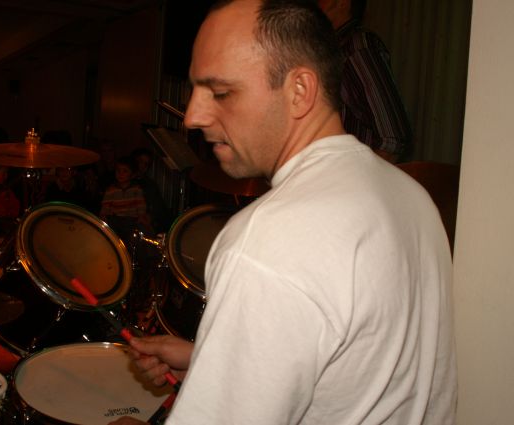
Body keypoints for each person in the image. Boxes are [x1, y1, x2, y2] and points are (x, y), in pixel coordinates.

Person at [109, 1, 456, 424]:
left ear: (299, 91)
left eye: (221, 92)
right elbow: (366, 367)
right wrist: (209, 361)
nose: (193, 117)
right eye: (195, 90)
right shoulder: (411, 195)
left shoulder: (268, 241)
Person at [317, 0, 412, 163]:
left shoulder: (357, 46)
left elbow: (392, 137)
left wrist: (358, 176)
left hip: (346, 173)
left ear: (343, 3)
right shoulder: (329, 48)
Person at [100, 156, 152, 241]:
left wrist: (141, 216)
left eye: (125, 171)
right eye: (118, 170)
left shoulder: (136, 189)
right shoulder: (111, 190)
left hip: (131, 220)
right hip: (115, 219)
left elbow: (140, 205)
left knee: (139, 233)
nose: (120, 174)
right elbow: (106, 205)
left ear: (132, 174)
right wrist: (103, 215)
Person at [131, 147, 171, 233]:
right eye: (140, 161)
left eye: (146, 164)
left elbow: (159, 209)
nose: (142, 166)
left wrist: (150, 217)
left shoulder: (150, 185)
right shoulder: (120, 180)